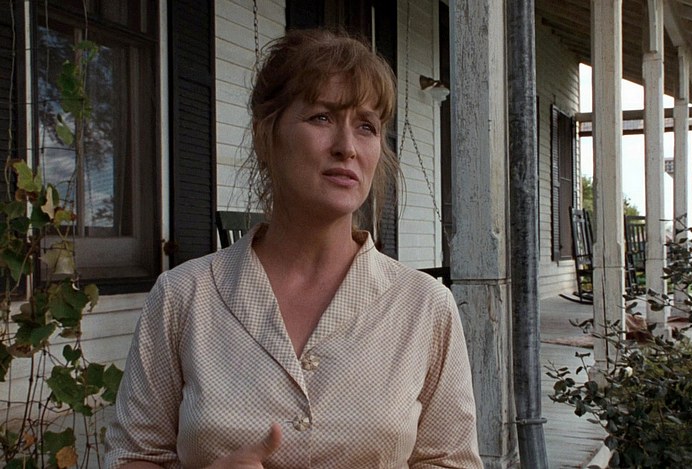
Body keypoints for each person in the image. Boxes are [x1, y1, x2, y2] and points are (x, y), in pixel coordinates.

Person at [105, 29, 482, 468]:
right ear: (265, 135)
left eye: (366, 126)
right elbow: (134, 455)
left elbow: (450, 460)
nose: (347, 147)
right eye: (322, 117)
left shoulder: (423, 307)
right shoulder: (184, 297)